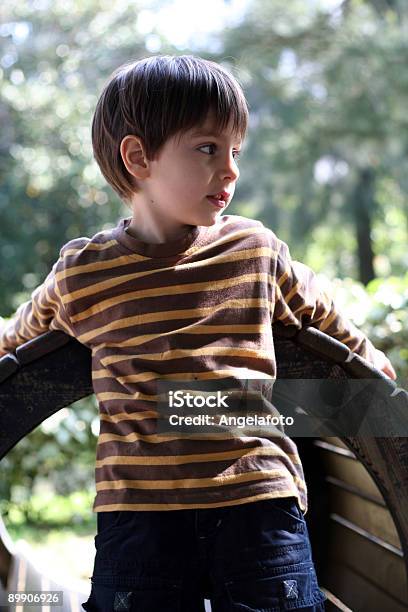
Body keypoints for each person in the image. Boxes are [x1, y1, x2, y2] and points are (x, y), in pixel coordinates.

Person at [0, 54, 396, 611]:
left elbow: (318, 307)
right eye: (208, 148)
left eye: (235, 151)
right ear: (138, 157)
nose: (231, 169)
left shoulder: (254, 249)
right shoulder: (84, 272)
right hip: (141, 516)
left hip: (258, 501)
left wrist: (366, 355)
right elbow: (21, 336)